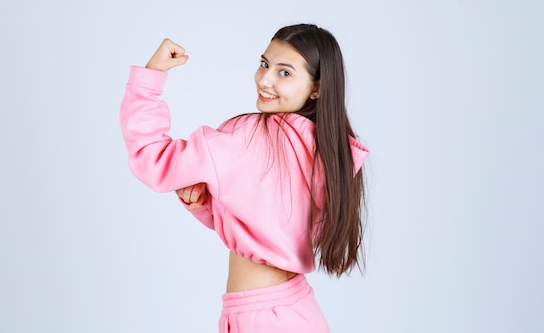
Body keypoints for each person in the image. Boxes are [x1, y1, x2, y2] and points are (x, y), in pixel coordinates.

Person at [120, 24, 369, 332]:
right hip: (294, 311)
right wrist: (204, 203)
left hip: (261, 319)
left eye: (285, 73)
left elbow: (153, 159)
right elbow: (262, 227)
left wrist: (149, 78)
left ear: (316, 87)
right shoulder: (327, 152)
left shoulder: (249, 136)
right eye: (264, 64)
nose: (265, 79)